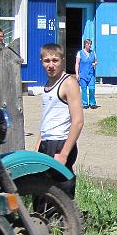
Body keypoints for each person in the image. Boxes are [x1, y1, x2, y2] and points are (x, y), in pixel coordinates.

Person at [37, 43, 84, 195]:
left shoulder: (69, 83)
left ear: (62, 60)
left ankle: (66, 219)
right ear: (41, 62)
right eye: (47, 61)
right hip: (46, 143)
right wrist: (38, 145)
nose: (51, 65)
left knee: (61, 194)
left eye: (55, 60)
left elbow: (78, 121)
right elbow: (48, 118)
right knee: (41, 192)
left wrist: (64, 154)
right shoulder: (48, 84)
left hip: (60, 143)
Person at [75, 37, 98, 109]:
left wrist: (95, 63)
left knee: (92, 88)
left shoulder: (93, 52)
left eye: (90, 44)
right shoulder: (80, 53)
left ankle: (92, 103)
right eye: (88, 44)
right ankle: (85, 104)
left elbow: (96, 61)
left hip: (91, 74)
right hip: (83, 74)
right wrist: (77, 74)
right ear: (85, 45)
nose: (90, 46)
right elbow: (77, 64)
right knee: (84, 89)